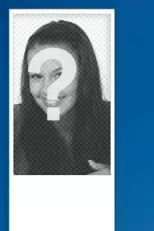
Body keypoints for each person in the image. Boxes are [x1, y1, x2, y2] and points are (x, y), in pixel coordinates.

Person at [14, 20, 111, 175]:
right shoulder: (12, 123)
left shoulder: (118, 118)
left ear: (84, 74)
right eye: (37, 76)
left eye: (59, 75)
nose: (47, 90)